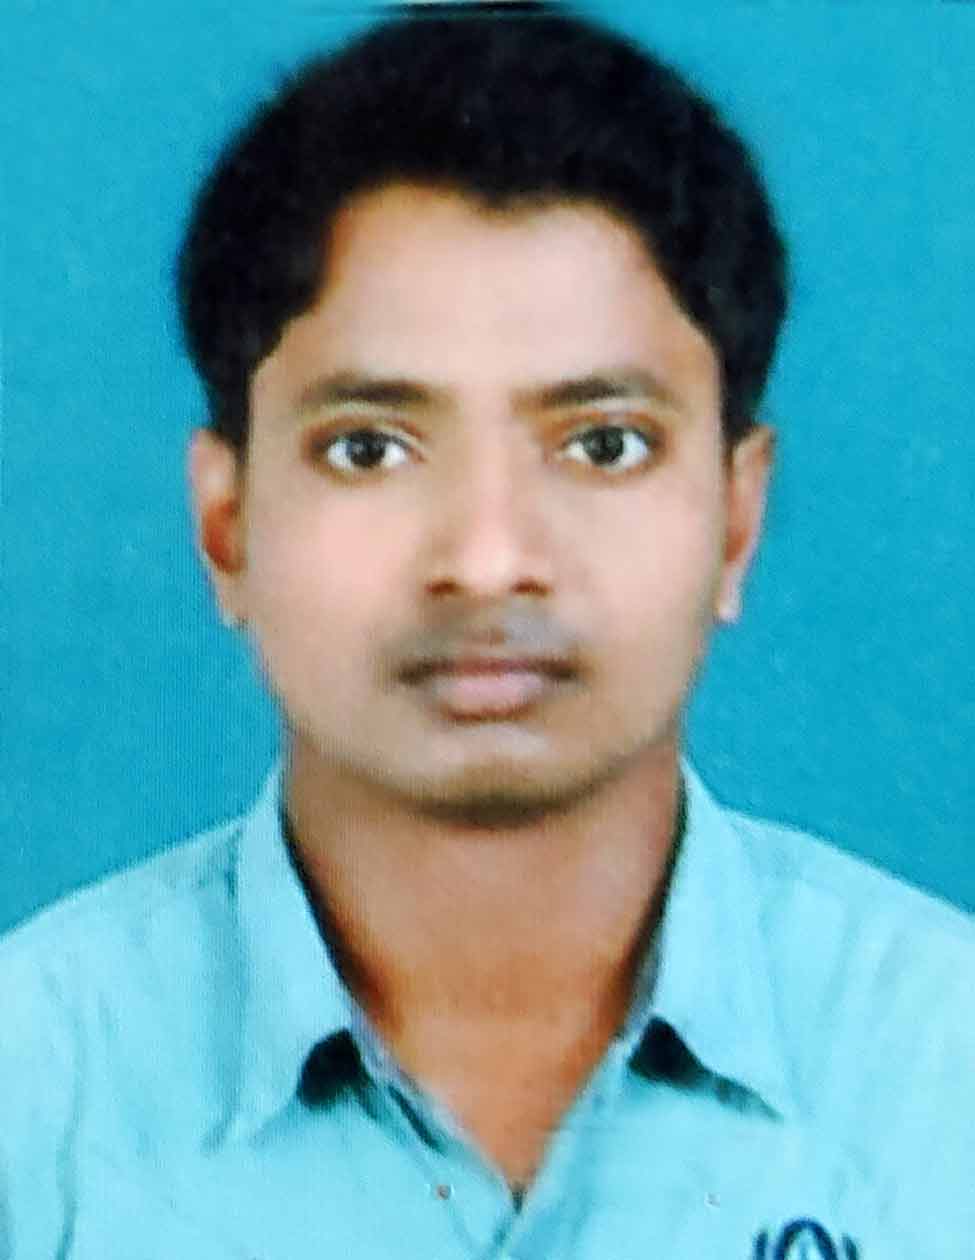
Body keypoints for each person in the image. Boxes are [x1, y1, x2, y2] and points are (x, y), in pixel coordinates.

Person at [2, 7, 971, 1258]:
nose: (489, 558)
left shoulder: (940, 1074)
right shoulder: (35, 1093)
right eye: (369, 448)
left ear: (737, 521)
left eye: (604, 444)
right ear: (226, 527)